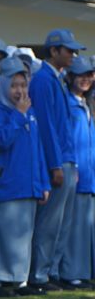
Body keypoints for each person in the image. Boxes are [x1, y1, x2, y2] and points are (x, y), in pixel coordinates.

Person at [0, 57, 49, 293]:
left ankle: (20, 280)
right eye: (14, 85)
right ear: (3, 85)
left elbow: (38, 149)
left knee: (23, 235)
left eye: (23, 85)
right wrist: (18, 115)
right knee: (1, 233)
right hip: (5, 184)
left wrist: (43, 182)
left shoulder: (30, 113)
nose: (20, 91)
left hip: (28, 185)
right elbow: (2, 139)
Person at [29, 28, 83, 291]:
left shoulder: (58, 79)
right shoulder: (43, 80)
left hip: (67, 159)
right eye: (68, 50)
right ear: (54, 51)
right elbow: (47, 126)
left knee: (63, 222)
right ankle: (40, 275)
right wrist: (55, 164)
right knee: (49, 222)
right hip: (58, 160)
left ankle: (52, 271)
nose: (73, 55)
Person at [66, 57, 95, 287]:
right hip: (76, 174)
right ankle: (71, 273)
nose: (85, 79)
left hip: (89, 176)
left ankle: (84, 272)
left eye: (89, 75)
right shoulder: (68, 103)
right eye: (81, 75)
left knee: (85, 228)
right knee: (73, 228)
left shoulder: (86, 104)